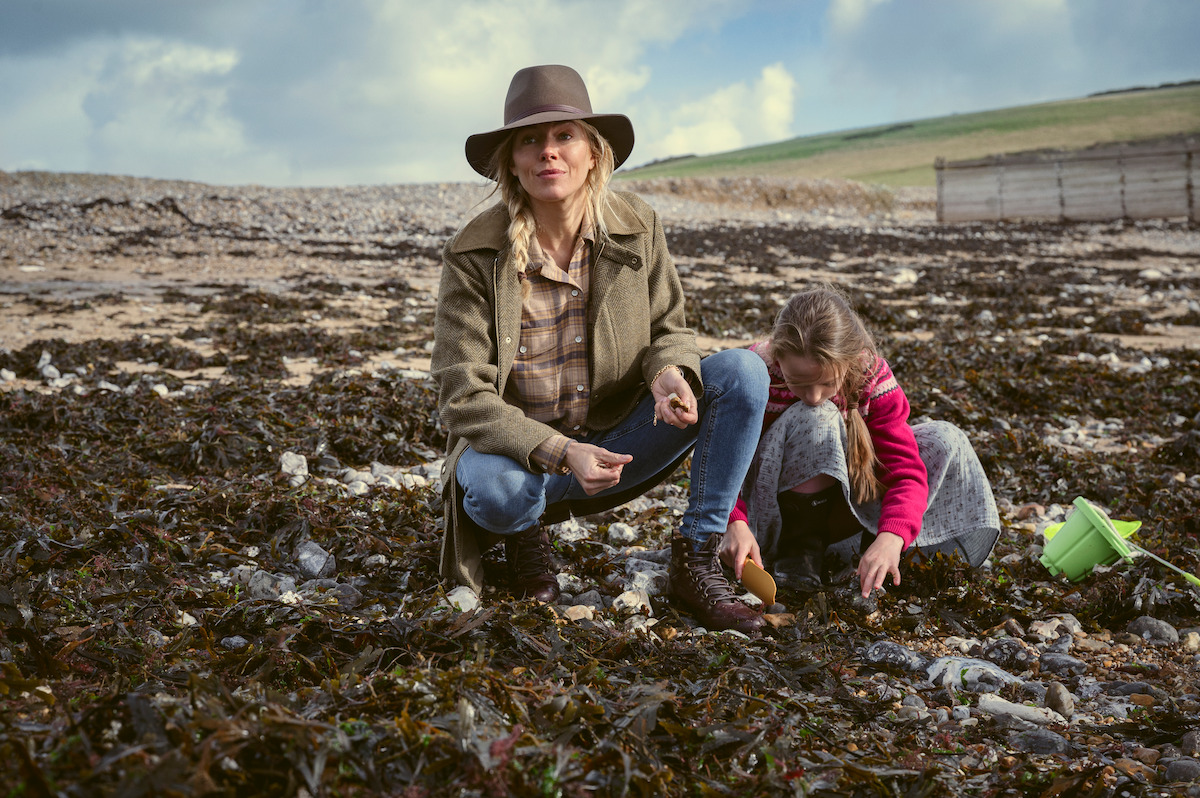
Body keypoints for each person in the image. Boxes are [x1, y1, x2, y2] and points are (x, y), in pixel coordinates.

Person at [432, 64, 769, 633]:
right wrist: (562, 452)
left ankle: (697, 556)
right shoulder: (473, 255)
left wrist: (669, 375)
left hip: (619, 445)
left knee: (742, 373)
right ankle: (524, 538)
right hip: (528, 462)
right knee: (497, 490)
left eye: (565, 136)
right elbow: (461, 395)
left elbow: (670, 327)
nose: (549, 152)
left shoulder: (637, 225)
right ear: (511, 161)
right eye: (530, 140)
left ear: (593, 152)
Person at [720, 285, 999, 598]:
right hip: (771, 517)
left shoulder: (870, 376)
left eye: (827, 383)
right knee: (817, 415)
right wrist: (734, 521)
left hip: (845, 509)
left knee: (944, 439)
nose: (812, 395)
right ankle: (799, 553)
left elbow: (904, 469)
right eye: (798, 382)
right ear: (778, 355)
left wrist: (893, 535)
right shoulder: (755, 371)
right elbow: (721, 459)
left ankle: (879, 551)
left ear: (850, 360)